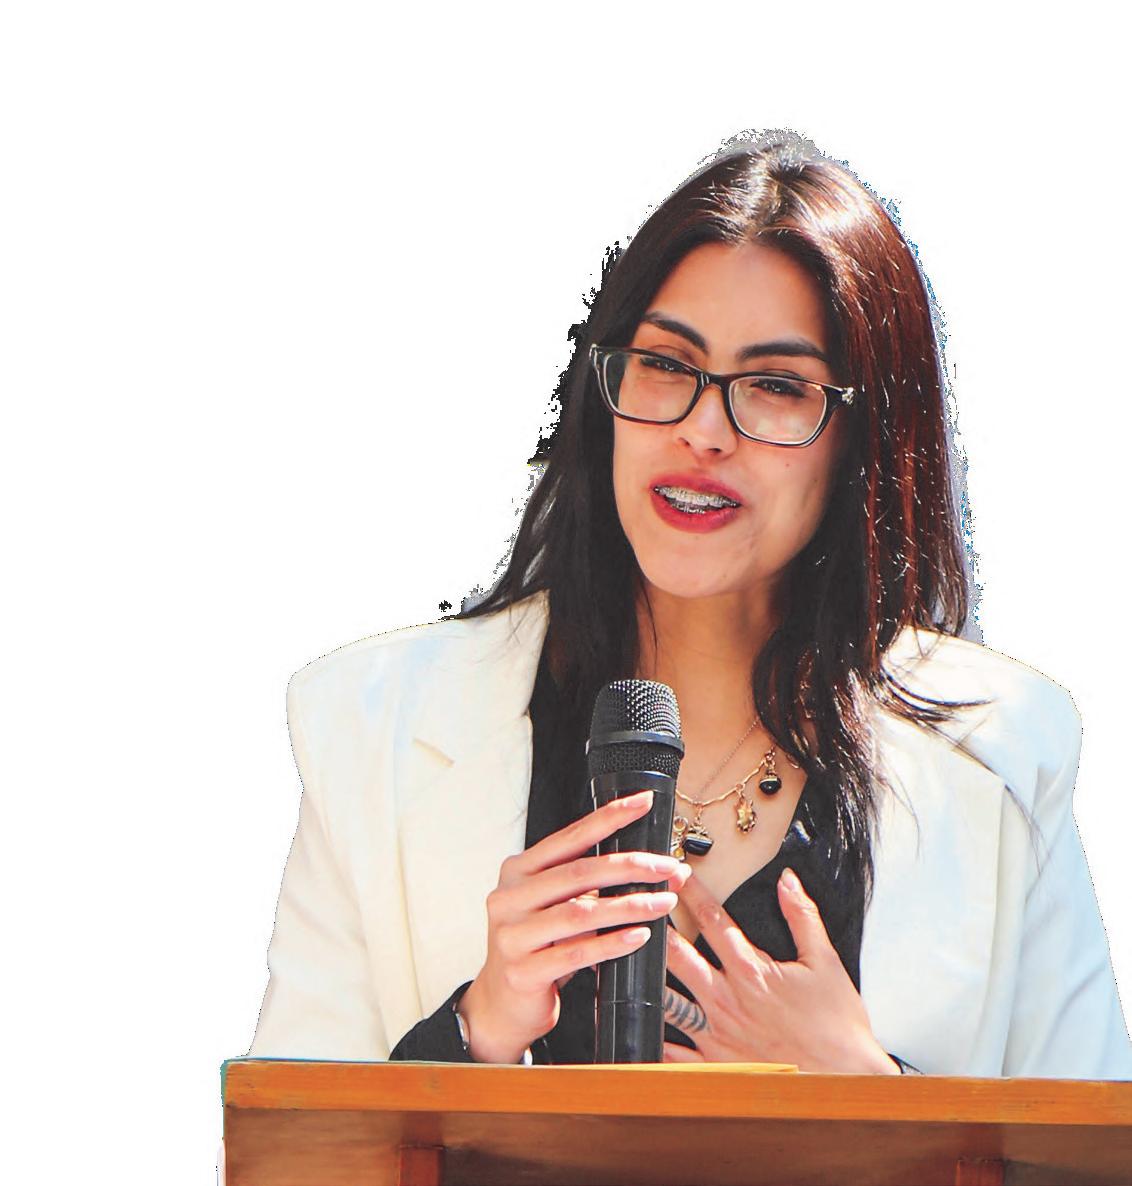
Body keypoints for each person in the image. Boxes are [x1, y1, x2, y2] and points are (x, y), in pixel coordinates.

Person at [246, 133, 1132, 1077]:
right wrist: (475, 1032)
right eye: (666, 364)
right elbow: (290, 1137)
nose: (704, 430)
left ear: (862, 440)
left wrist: (868, 1094)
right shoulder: (370, 730)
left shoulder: (1009, 748)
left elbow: (1078, 1142)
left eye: (777, 386)